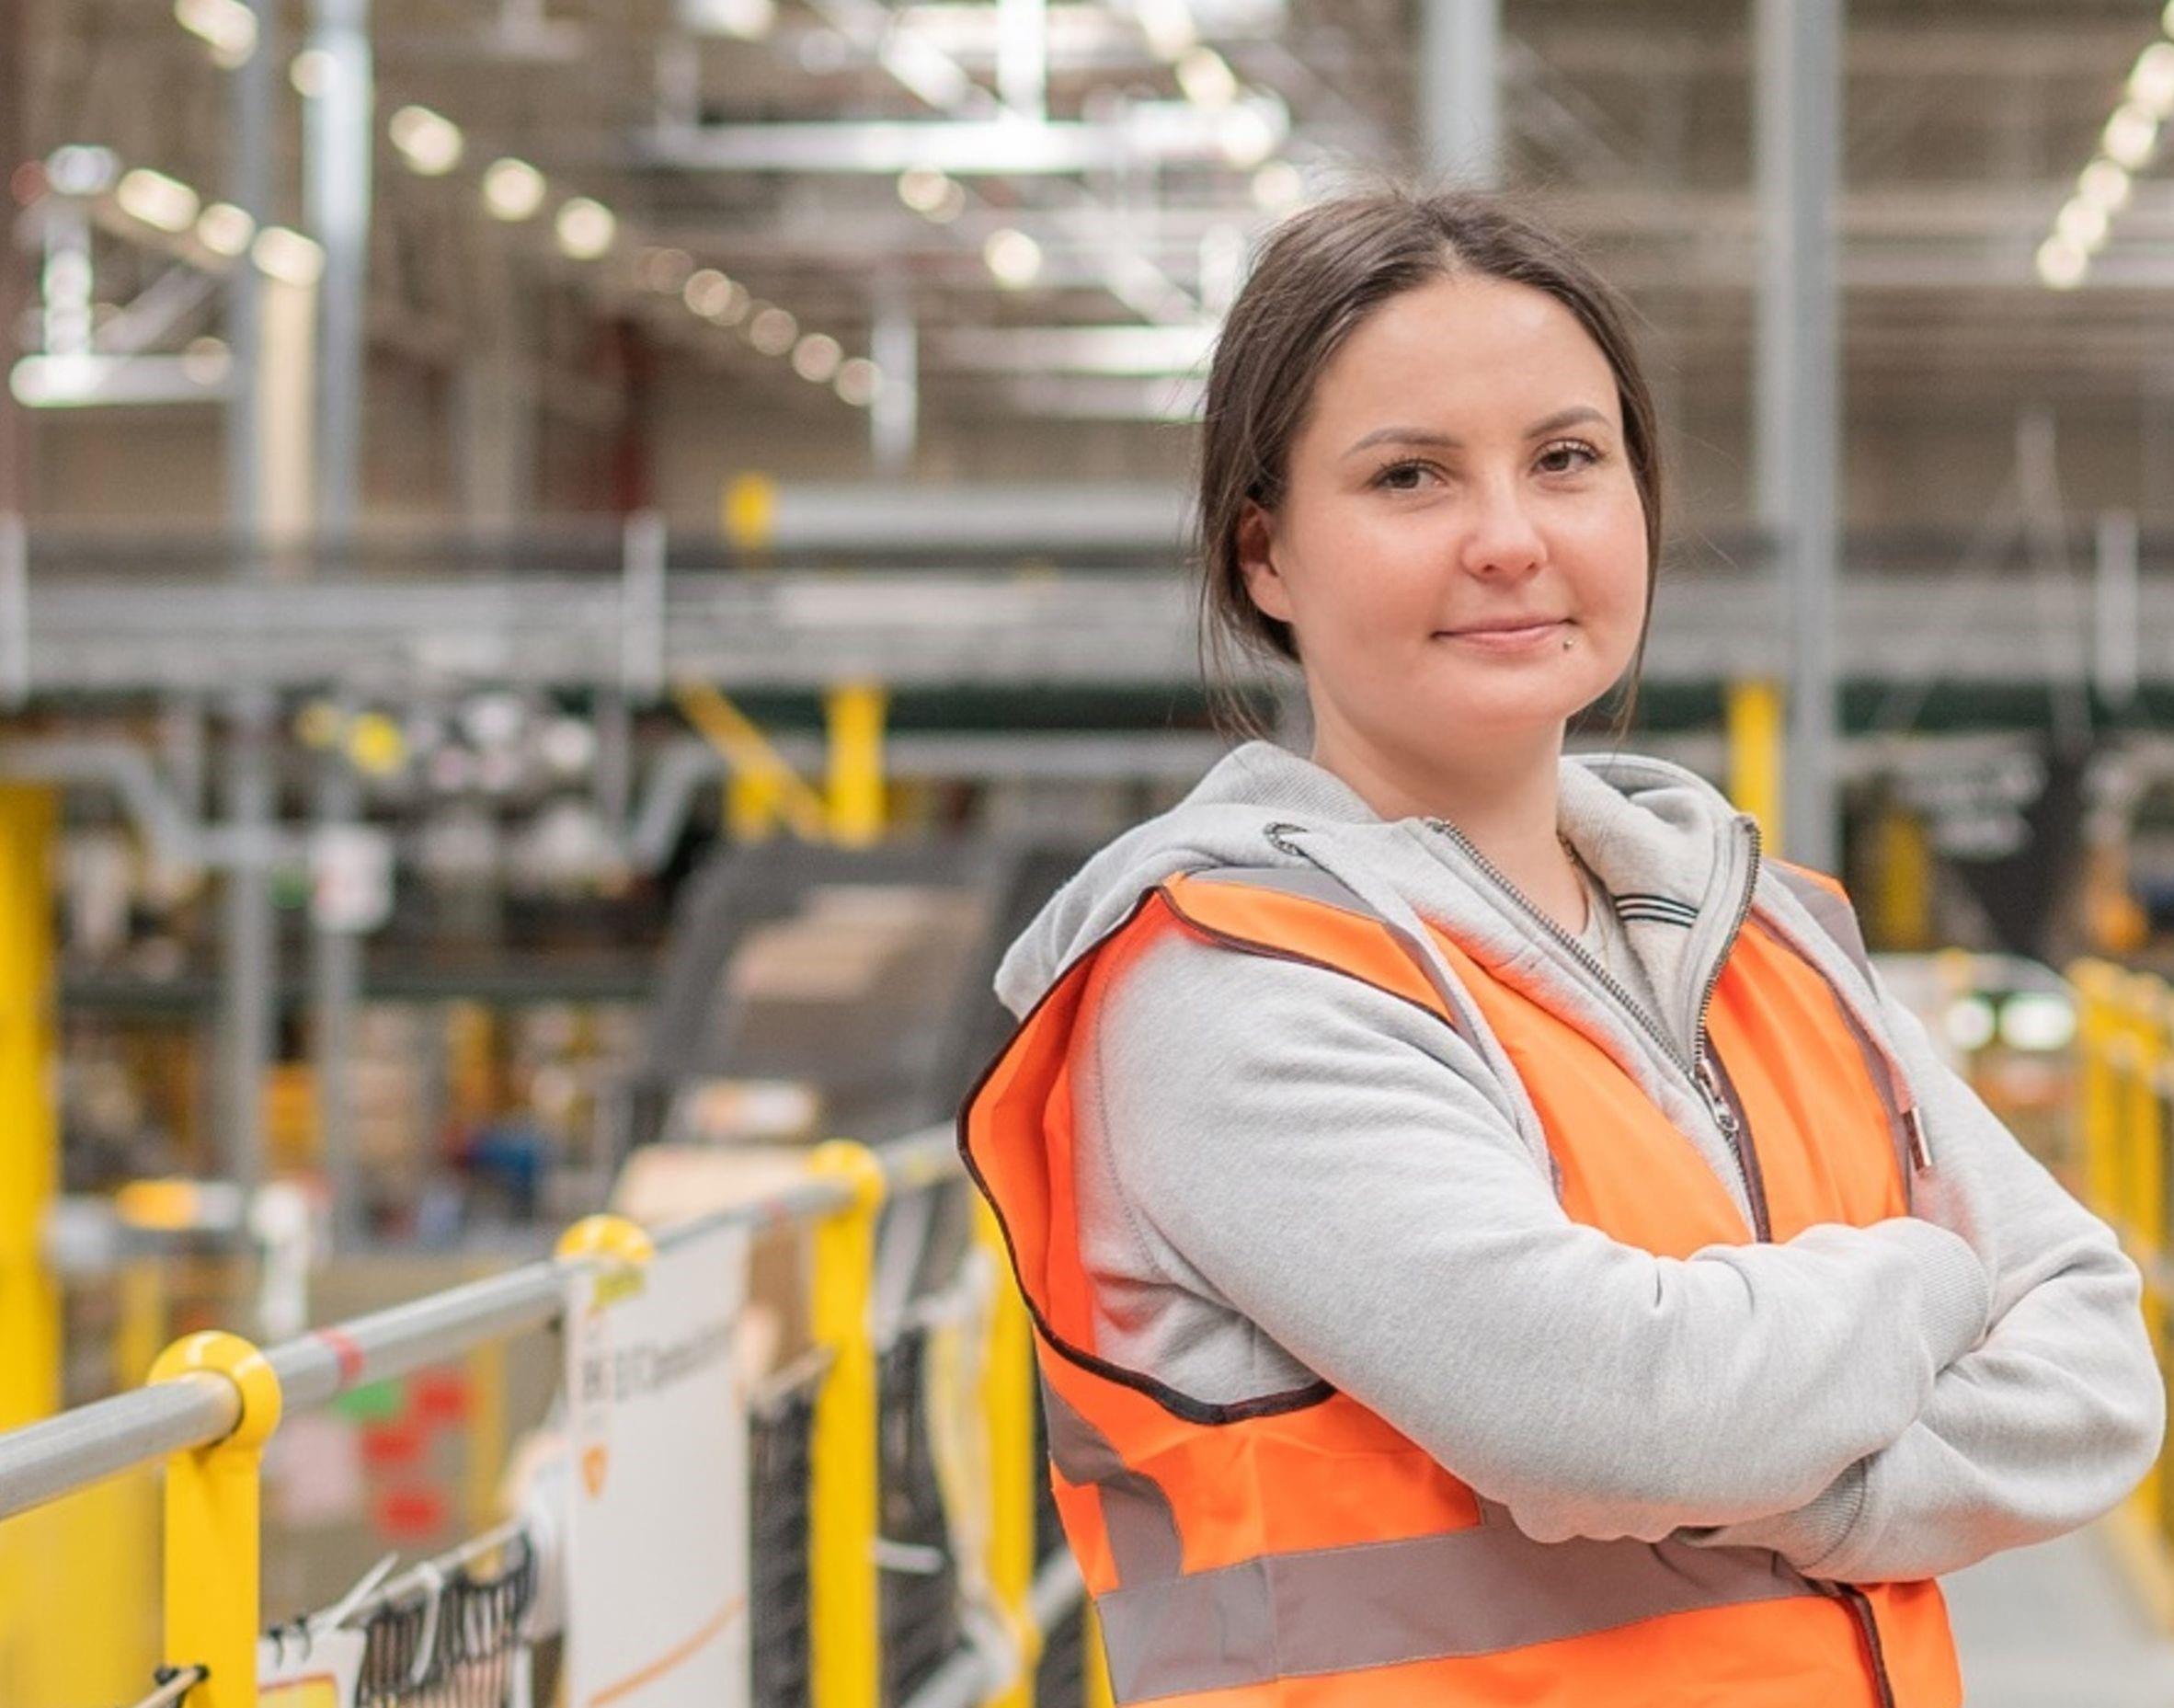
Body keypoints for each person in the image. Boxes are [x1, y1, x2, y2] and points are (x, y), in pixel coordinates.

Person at [957, 184, 2166, 1707]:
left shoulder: (1766, 930)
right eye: (1412, 476)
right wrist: (1932, 1279)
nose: (1511, 539)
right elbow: (1609, 1410)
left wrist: (1793, 1480)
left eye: (1567, 461)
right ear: (1265, 556)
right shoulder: (1230, 983)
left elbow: (2098, 1362)